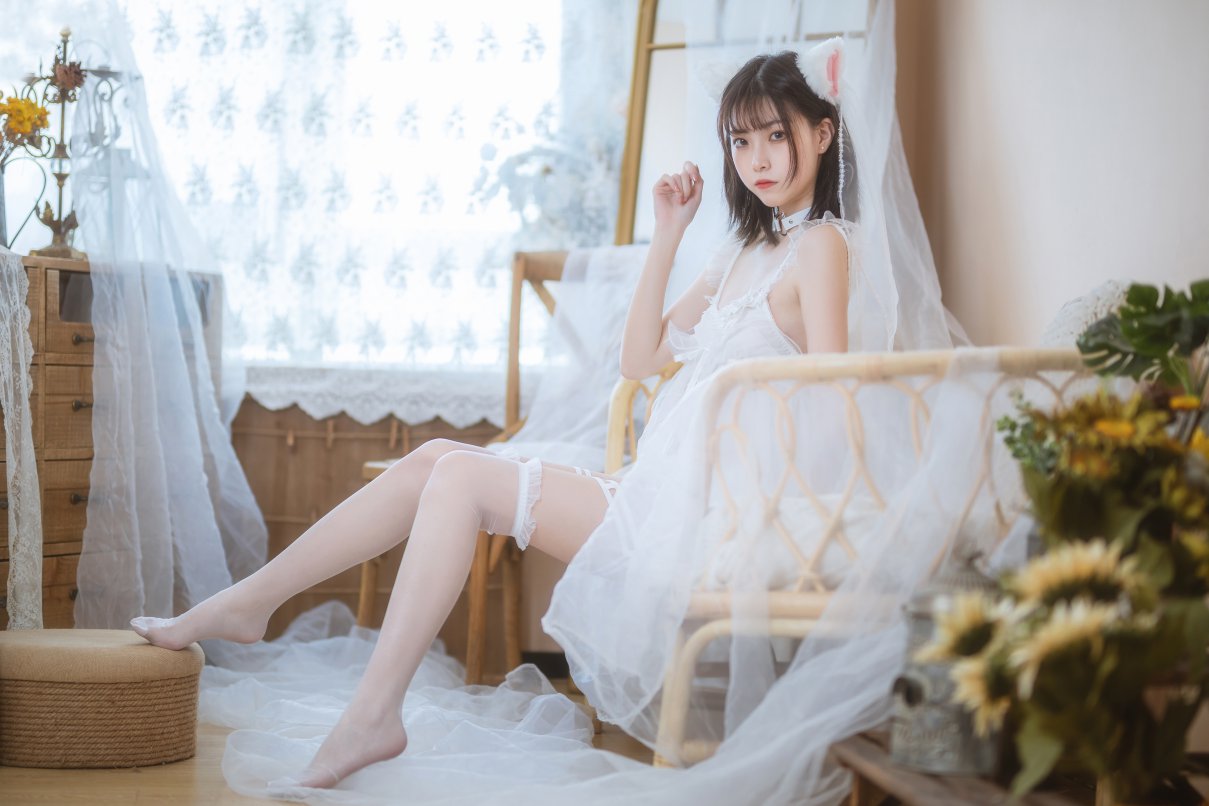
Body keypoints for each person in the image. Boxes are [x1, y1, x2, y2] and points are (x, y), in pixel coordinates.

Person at [133, 43, 894, 797]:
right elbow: (639, 359)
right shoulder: (746, 249)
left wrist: (752, 486)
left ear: (822, 133)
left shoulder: (822, 245)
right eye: (741, 140)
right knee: (436, 458)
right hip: (660, 494)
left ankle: (365, 710)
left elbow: (832, 395)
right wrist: (668, 233)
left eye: (775, 135)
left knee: (460, 476)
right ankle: (254, 603)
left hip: (714, 513)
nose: (757, 159)